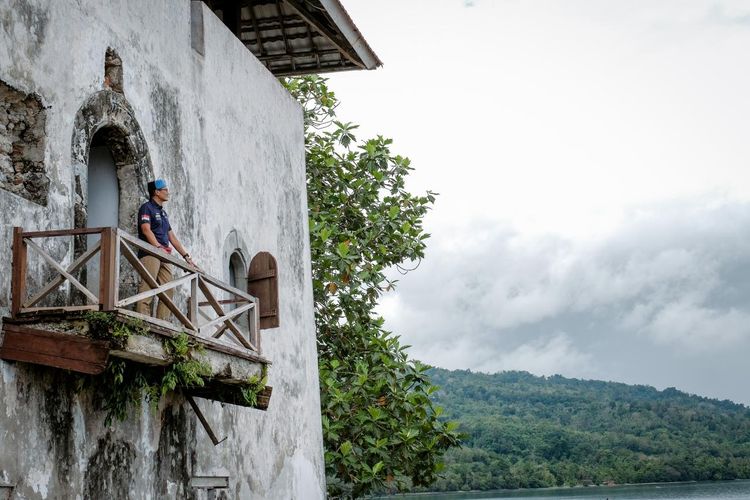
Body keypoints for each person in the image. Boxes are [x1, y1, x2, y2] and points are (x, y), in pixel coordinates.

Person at [135, 178, 196, 320]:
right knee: (148, 287)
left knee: (168, 290)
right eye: (165, 190)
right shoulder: (146, 207)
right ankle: (142, 321)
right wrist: (157, 247)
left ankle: (162, 323)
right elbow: (145, 229)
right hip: (150, 253)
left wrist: (186, 256)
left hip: (165, 255)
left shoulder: (163, 214)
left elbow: (172, 237)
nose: (168, 192)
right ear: (156, 192)